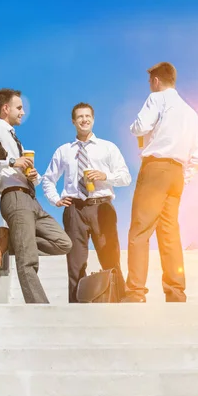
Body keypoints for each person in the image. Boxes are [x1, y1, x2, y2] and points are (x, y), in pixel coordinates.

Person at [122, 62, 198, 303]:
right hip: (177, 174)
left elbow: (140, 126)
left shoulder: (157, 99)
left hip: (155, 169)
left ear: (156, 81)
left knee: (140, 231)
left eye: (150, 82)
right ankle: (176, 292)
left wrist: (137, 131)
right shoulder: (191, 113)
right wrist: (181, 177)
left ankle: (136, 292)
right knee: (169, 234)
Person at [0, 88, 72, 303]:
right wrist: (11, 162)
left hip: (31, 199)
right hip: (14, 197)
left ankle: (14, 242)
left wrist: (33, 175)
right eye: (19, 107)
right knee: (28, 261)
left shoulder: (16, 139)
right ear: (6, 109)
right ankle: (40, 308)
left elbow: (23, 171)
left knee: (63, 243)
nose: (23, 112)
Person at [42, 102, 131, 303]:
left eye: (88, 116)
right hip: (74, 209)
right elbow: (48, 179)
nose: (84, 120)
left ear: (93, 119)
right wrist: (55, 199)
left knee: (111, 258)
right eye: (80, 117)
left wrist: (104, 175)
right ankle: (76, 307)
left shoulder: (108, 147)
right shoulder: (64, 151)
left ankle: (118, 303)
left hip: (102, 208)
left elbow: (125, 177)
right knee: (75, 263)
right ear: (73, 121)